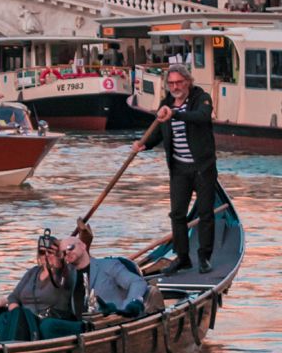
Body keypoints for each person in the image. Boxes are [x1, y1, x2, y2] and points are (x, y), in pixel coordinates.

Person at [132, 64, 217, 274]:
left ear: (187, 81)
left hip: (203, 168)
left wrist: (175, 115)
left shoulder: (201, 98)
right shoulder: (166, 104)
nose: (175, 86)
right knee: (177, 214)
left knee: (206, 213)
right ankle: (183, 257)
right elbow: (160, 130)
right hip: (179, 169)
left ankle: (204, 256)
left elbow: (202, 117)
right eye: (171, 83)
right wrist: (145, 144)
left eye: (179, 82)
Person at [0, 229, 77, 341]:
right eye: (42, 252)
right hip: (24, 320)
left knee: (21, 316)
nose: (46, 256)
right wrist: (15, 311)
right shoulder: (33, 272)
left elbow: (77, 260)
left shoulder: (66, 273)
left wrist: (61, 257)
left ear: (59, 254)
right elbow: (13, 296)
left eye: (50, 252)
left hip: (46, 320)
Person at [56, 234, 149, 323]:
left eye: (70, 247)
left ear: (83, 246)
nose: (67, 253)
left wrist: (126, 307)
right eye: (63, 252)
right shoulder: (67, 275)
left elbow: (137, 282)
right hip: (81, 327)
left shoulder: (109, 265)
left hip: (111, 323)